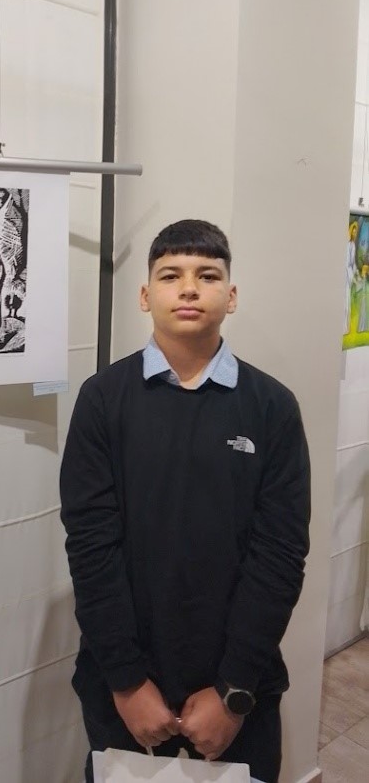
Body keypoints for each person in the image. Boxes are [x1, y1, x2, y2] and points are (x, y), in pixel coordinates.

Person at [60, 219, 310, 783]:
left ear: (232, 295)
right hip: (123, 687)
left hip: (239, 691)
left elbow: (280, 554)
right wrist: (127, 681)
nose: (190, 288)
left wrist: (234, 691)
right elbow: (91, 547)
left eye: (208, 275)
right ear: (145, 295)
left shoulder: (272, 407)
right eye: (171, 275)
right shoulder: (103, 400)